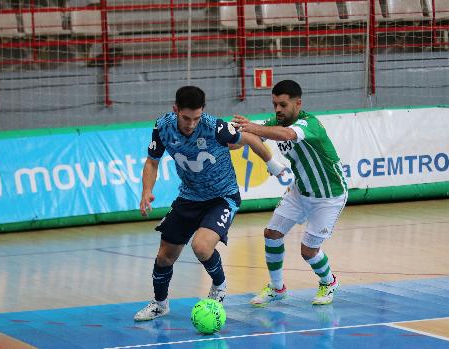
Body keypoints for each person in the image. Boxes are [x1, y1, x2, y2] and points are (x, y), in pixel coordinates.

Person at [134, 86, 285, 321]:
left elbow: (250, 138)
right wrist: (146, 191)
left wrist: (272, 164)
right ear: (176, 110)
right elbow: (152, 162)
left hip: (222, 197)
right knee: (165, 255)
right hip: (189, 197)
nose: (191, 124)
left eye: (196, 118)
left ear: (202, 112)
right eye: (186, 118)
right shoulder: (163, 127)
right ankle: (160, 304)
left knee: (202, 246)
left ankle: (219, 286)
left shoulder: (214, 127)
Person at [232, 80, 347, 306]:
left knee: (309, 251)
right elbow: (250, 139)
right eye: (274, 104)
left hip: (328, 196)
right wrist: (224, 139)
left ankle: (329, 281)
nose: (277, 110)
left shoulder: (309, 124)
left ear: (297, 103)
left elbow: (285, 135)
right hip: (300, 191)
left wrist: (252, 127)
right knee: (272, 234)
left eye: (283, 105)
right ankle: (277, 288)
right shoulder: (277, 122)